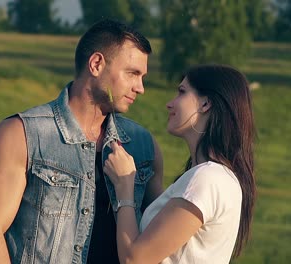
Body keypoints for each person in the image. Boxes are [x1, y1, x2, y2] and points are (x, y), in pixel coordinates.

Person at [0, 19, 163, 264]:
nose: (141, 88)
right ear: (96, 64)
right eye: (133, 73)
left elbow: (157, 240)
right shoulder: (22, 135)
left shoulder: (144, 146)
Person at [104, 64, 257, 264]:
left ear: (205, 104)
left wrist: (124, 187)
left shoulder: (208, 179)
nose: (170, 103)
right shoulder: (216, 177)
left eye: (182, 92)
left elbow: (134, 259)